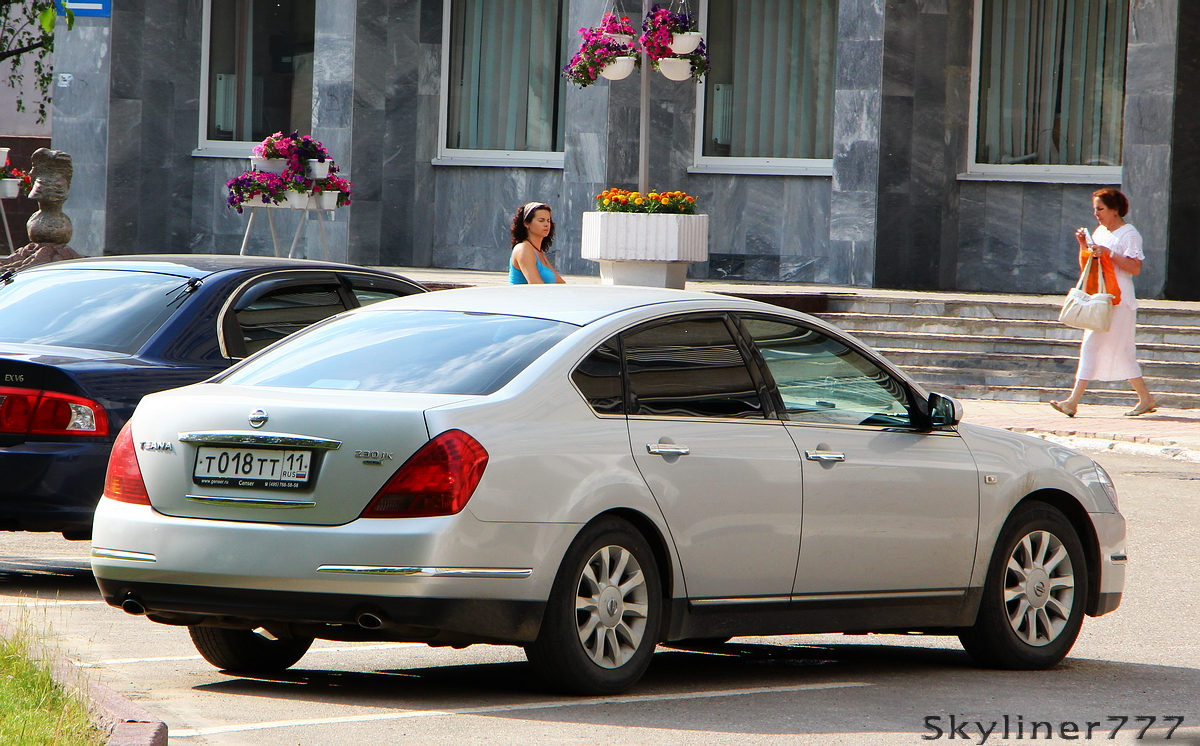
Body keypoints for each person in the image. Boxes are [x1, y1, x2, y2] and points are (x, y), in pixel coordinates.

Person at [1050, 188, 1158, 418]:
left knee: (1096, 345)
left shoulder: (1129, 234)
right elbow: (1089, 266)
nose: (1096, 214)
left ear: (1114, 210)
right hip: (1101, 297)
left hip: (1119, 299)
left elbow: (1135, 267)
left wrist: (1109, 253)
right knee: (1119, 350)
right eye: (1095, 209)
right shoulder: (1100, 231)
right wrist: (1083, 245)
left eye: (1100, 209)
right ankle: (1145, 398)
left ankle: (1073, 401)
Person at [509, 201, 565, 285]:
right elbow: (536, 285)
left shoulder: (539, 252)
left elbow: (560, 283)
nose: (546, 224)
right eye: (541, 220)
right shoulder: (523, 248)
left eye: (548, 221)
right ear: (526, 223)